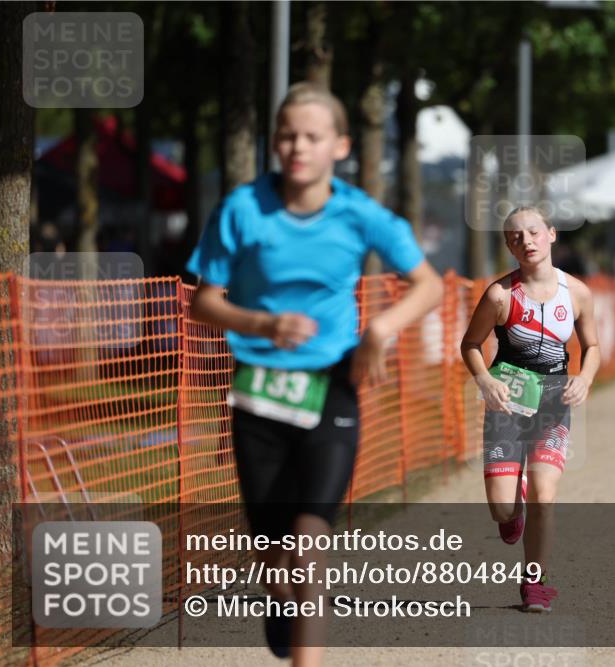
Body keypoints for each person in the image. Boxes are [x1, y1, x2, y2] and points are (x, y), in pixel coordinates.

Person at [186, 82, 443, 663]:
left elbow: (428, 285)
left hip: (332, 387)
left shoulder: (359, 214)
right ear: (274, 143)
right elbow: (204, 303)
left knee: (311, 545)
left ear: (340, 146)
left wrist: (381, 329)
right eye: (287, 135)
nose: (298, 146)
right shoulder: (241, 210)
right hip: (259, 396)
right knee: (274, 555)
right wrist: (261, 323)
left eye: (312, 136)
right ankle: (277, 597)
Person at [460, 206, 600, 613]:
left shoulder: (577, 293)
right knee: (504, 510)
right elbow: (469, 344)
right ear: (509, 245)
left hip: (554, 399)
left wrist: (585, 378)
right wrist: (485, 380)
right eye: (517, 236)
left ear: (551, 234)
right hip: (508, 398)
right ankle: (511, 504)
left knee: (545, 495)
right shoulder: (500, 295)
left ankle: (534, 583)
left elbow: (591, 346)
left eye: (534, 232)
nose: (528, 241)